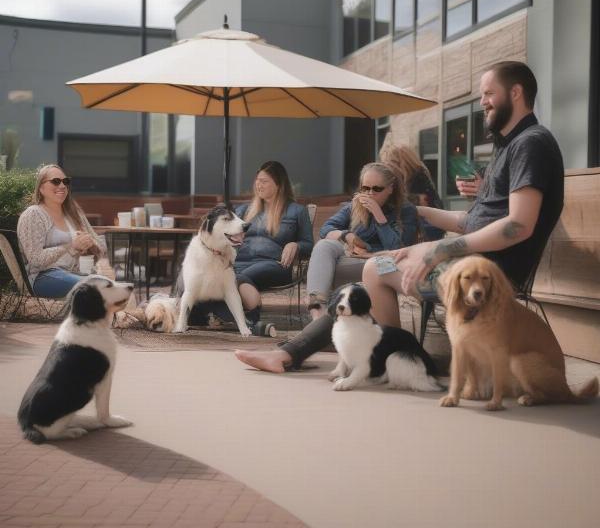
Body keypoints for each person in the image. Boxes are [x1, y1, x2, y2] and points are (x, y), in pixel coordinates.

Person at [235, 60, 564, 372]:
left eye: (489, 93)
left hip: (486, 275)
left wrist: (440, 249)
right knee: (377, 266)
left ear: (516, 93)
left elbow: (520, 225)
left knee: (376, 269)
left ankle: (381, 360)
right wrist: (417, 211)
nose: (482, 102)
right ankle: (388, 360)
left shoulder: (530, 144)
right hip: (471, 263)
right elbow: (469, 222)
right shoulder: (512, 147)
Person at [187, 160, 313, 327]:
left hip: (273, 263)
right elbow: (223, 235)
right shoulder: (243, 211)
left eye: (264, 181)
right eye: (257, 180)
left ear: (279, 184)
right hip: (239, 261)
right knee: (214, 276)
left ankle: (223, 313)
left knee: (233, 279)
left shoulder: (297, 211)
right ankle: (233, 315)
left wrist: (296, 245)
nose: (258, 185)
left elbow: (310, 245)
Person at [305, 162, 417, 320]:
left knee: (326, 267)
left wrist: (379, 216)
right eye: (365, 188)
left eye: (377, 189)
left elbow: (397, 248)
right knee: (324, 245)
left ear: (391, 188)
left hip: (381, 266)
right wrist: (347, 236)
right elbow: (326, 229)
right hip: (352, 260)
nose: (370, 193)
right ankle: (318, 315)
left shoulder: (406, 211)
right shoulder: (355, 205)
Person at [17, 164, 108, 298]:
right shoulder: (34, 214)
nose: (62, 186)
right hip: (42, 277)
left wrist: (89, 244)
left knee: (108, 285)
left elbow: (101, 246)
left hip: (73, 273)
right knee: (93, 286)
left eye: (65, 182)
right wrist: (70, 245)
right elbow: (36, 259)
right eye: (55, 181)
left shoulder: (73, 213)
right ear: (41, 188)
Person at [380, 145, 445, 240]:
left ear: (400, 162)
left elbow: (420, 204)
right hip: (430, 228)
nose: (388, 167)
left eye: (390, 163)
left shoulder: (416, 179)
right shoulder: (418, 175)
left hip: (426, 230)